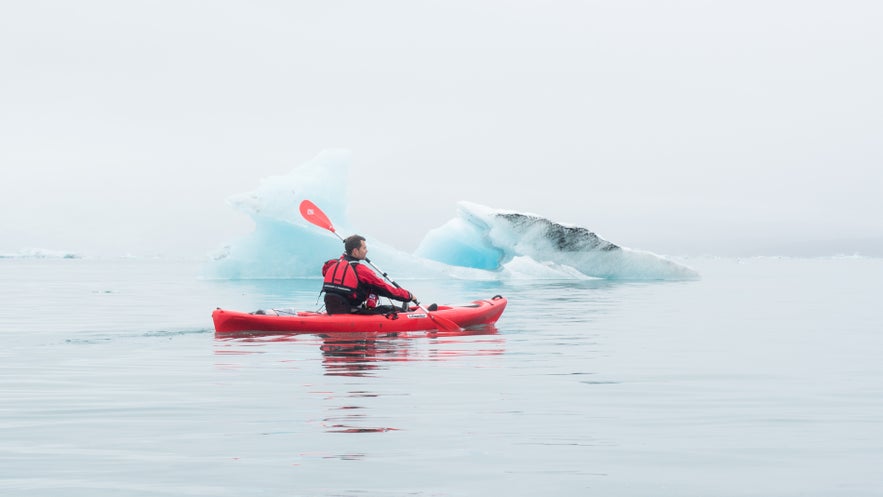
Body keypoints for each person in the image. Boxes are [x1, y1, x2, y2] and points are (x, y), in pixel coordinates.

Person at [321, 234, 415, 314]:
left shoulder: (332, 264)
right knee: (393, 310)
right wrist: (408, 296)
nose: (366, 251)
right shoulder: (361, 270)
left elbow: (326, 271)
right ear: (355, 251)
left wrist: (345, 255)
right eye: (364, 248)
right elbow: (386, 289)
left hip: (332, 309)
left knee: (368, 288)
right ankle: (403, 311)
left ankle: (370, 306)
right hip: (352, 310)